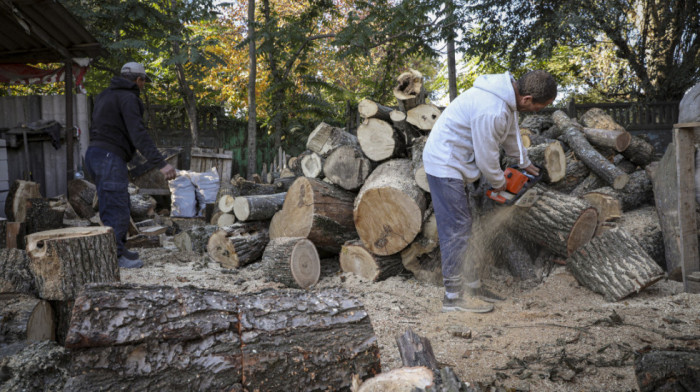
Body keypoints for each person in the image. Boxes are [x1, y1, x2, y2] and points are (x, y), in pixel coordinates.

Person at [422, 70, 557, 313]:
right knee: (457, 228)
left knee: (469, 226)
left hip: (460, 161)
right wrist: (499, 184)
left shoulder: (506, 103)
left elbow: (512, 136)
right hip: (445, 163)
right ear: (527, 99)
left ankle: (472, 286)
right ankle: (454, 298)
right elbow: (487, 159)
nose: (537, 112)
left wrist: (524, 162)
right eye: (539, 107)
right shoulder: (492, 109)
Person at [86, 62, 177, 268]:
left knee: (119, 202)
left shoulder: (104, 96)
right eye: (143, 82)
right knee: (116, 206)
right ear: (138, 80)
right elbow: (138, 134)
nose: (143, 86)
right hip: (109, 157)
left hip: (96, 155)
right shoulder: (129, 98)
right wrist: (161, 164)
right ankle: (115, 257)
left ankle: (118, 248)